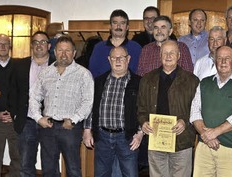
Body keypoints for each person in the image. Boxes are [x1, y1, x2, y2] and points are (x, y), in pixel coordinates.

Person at [27, 36, 93, 177]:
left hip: (70, 128)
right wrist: (39, 118)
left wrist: (74, 120)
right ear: (55, 52)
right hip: (48, 128)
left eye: (67, 50)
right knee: (49, 170)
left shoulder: (83, 74)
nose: (64, 54)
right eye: (60, 50)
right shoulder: (46, 73)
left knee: (73, 170)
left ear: (74, 53)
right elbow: (34, 96)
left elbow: (88, 102)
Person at [138, 40, 199, 177]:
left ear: (179, 56)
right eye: (165, 52)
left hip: (182, 141)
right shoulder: (147, 79)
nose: (168, 56)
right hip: (156, 140)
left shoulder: (192, 81)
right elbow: (141, 109)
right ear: (160, 55)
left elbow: (197, 109)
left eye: (172, 52)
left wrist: (185, 121)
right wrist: (143, 122)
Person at [190, 45, 232, 177]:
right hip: (204, 147)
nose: (223, 62)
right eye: (219, 58)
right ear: (214, 61)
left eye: (227, 58)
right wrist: (205, 135)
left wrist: (214, 133)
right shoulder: (204, 83)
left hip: (231, 150)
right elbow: (195, 111)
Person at [83, 46, 144, 177]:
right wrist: (87, 130)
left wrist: (140, 133)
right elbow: (91, 106)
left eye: (121, 58)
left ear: (128, 59)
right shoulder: (99, 81)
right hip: (103, 137)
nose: (117, 60)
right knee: (101, 174)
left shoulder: (139, 82)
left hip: (127, 138)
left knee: (130, 174)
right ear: (109, 60)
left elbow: (143, 109)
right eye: (114, 58)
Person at [8, 31, 56, 177]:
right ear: (31, 45)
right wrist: (14, 114)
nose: (39, 45)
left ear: (49, 46)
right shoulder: (19, 65)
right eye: (36, 42)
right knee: (25, 164)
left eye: (43, 42)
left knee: (51, 164)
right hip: (27, 121)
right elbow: (12, 91)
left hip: (50, 122)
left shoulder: (57, 65)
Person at [0, 34, 21, 177]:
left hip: (15, 120)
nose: (2, 47)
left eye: (6, 44)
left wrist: (16, 114)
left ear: (10, 46)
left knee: (18, 157)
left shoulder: (19, 66)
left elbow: (23, 92)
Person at [89, 9, 142, 78]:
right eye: (115, 23)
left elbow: (139, 73)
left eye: (122, 23)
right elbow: (93, 73)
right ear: (110, 26)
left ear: (127, 27)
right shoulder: (99, 48)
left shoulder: (136, 48)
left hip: (130, 87)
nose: (118, 26)